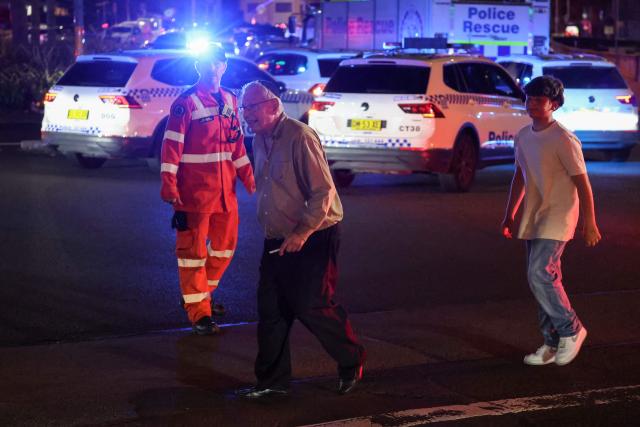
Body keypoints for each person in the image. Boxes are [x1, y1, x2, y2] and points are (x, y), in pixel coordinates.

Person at [237, 81, 365, 398]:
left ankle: (351, 359)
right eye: (243, 108)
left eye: (250, 108)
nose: (245, 115)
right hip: (276, 237)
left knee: (311, 305)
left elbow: (323, 192)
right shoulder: (260, 139)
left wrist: (302, 232)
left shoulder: (299, 136)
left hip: (314, 235)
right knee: (271, 311)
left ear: (272, 105)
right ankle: (272, 382)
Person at [501, 76, 602, 366]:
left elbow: (583, 184)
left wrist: (590, 222)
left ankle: (572, 329)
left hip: (559, 215)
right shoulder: (522, 136)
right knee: (542, 280)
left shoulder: (564, 139)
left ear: (554, 105)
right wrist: (509, 214)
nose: (532, 104)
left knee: (539, 274)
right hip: (535, 214)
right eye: (529, 98)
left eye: (539, 100)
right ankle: (551, 343)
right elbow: (519, 176)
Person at [160, 45, 255, 335]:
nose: (213, 67)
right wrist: (169, 185)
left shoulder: (229, 99)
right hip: (194, 195)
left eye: (217, 63)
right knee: (193, 254)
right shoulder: (185, 103)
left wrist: (251, 179)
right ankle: (199, 313)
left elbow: (236, 146)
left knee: (225, 249)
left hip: (226, 194)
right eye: (207, 63)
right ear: (199, 67)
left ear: (224, 66)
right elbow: (171, 147)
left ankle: (200, 294)